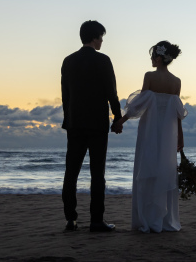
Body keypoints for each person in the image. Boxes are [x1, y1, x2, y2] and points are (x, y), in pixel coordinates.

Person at [116, 40, 186, 233]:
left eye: (152, 57)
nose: (151, 61)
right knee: (165, 170)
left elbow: (139, 105)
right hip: (168, 134)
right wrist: (180, 136)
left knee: (146, 169)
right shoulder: (176, 82)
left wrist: (120, 121)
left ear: (158, 57)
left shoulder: (149, 76)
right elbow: (177, 114)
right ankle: (164, 220)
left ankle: (147, 219)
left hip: (149, 131)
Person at [60, 20, 123, 233]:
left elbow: (65, 96)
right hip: (97, 124)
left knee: (71, 173)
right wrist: (118, 118)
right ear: (95, 37)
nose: (102, 41)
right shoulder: (103, 60)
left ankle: (71, 219)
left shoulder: (68, 61)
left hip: (75, 124)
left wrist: (69, 119)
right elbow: (111, 92)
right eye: (101, 37)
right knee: (97, 174)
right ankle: (96, 220)